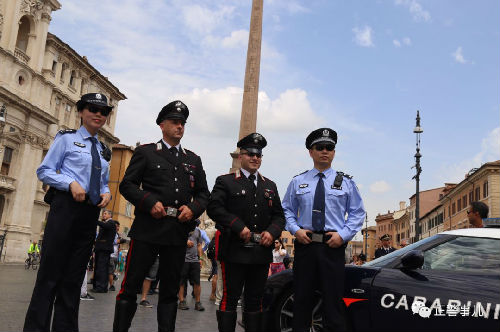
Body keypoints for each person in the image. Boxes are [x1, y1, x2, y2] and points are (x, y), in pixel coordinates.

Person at [113, 100, 209, 332]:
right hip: (148, 229)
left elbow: (204, 194)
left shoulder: (193, 160)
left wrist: (193, 209)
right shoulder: (146, 152)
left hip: (176, 232)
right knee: (130, 287)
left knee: (169, 292)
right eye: (175, 122)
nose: (180, 127)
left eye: (183, 124)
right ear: (162, 125)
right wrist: (148, 201)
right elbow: (127, 185)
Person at [24, 93, 113, 332]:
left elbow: (104, 182)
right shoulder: (66, 139)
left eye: (103, 112)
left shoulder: (104, 150)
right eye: (93, 109)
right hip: (65, 208)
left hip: (88, 215)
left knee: (73, 279)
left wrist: (107, 194)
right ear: (82, 112)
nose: (98, 114)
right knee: (50, 276)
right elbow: (45, 171)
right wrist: (70, 183)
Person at [282, 128, 365, 332]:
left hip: (333, 248)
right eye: (320, 147)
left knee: (333, 303)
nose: (325, 151)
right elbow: (286, 210)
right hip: (305, 246)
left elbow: (357, 213)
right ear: (311, 152)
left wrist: (343, 235)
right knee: (301, 301)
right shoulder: (298, 182)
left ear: (334, 152)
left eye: (330, 147)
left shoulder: (346, 183)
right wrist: (295, 230)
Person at [208, 132, 285, 332]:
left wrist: (272, 232)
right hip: (234, 250)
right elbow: (215, 208)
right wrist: (238, 226)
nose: (254, 158)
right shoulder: (225, 181)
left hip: (260, 252)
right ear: (240, 156)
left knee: (255, 301)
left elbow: (279, 216)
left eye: (258, 155)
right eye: (250, 154)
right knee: (230, 299)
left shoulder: (270, 185)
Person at [178, 227, 204, 311]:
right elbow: (175, 240)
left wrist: (200, 258)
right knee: (181, 282)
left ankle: (198, 302)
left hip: (195, 260)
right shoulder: (181, 228)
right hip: (183, 260)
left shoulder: (198, 231)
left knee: (197, 282)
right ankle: (181, 301)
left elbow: (199, 245)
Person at [93, 210, 118, 293]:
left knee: (102, 268)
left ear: (110, 215)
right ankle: (97, 286)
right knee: (98, 268)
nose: (103, 215)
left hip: (104, 249)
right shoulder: (106, 223)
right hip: (100, 249)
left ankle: (101, 287)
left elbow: (105, 226)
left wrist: (95, 220)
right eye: (103, 213)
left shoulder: (110, 223)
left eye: (105, 214)